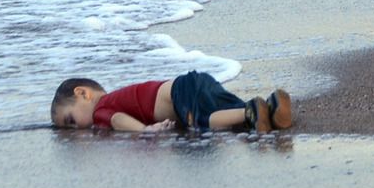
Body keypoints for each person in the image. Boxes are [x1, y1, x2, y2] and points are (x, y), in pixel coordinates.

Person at [50, 70, 293, 134]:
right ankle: (269, 108)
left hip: (180, 92)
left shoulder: (101, 109)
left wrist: (144, 130)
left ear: (83, 93)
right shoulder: (117, 97)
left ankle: (250, 111)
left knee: (203, 122)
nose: (75, 128)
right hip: (194, 81)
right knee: (228, 111)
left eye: (70, 120)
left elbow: (117, 120)